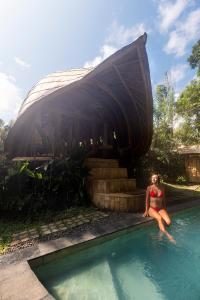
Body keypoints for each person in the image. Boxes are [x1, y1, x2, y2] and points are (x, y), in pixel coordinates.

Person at [143, 174, 175, 243]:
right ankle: (168, 236)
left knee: (169, 222)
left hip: (160, 208)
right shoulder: (149, 188)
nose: (153, 179)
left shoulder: (162, 188)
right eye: (152, 178)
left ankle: (161, 231)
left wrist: (165, 210)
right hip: (151, 209)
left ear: (158, 179)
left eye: (155, 178)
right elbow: (147, 200)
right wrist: (146, 211)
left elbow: (163, 200)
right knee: (159, 218)